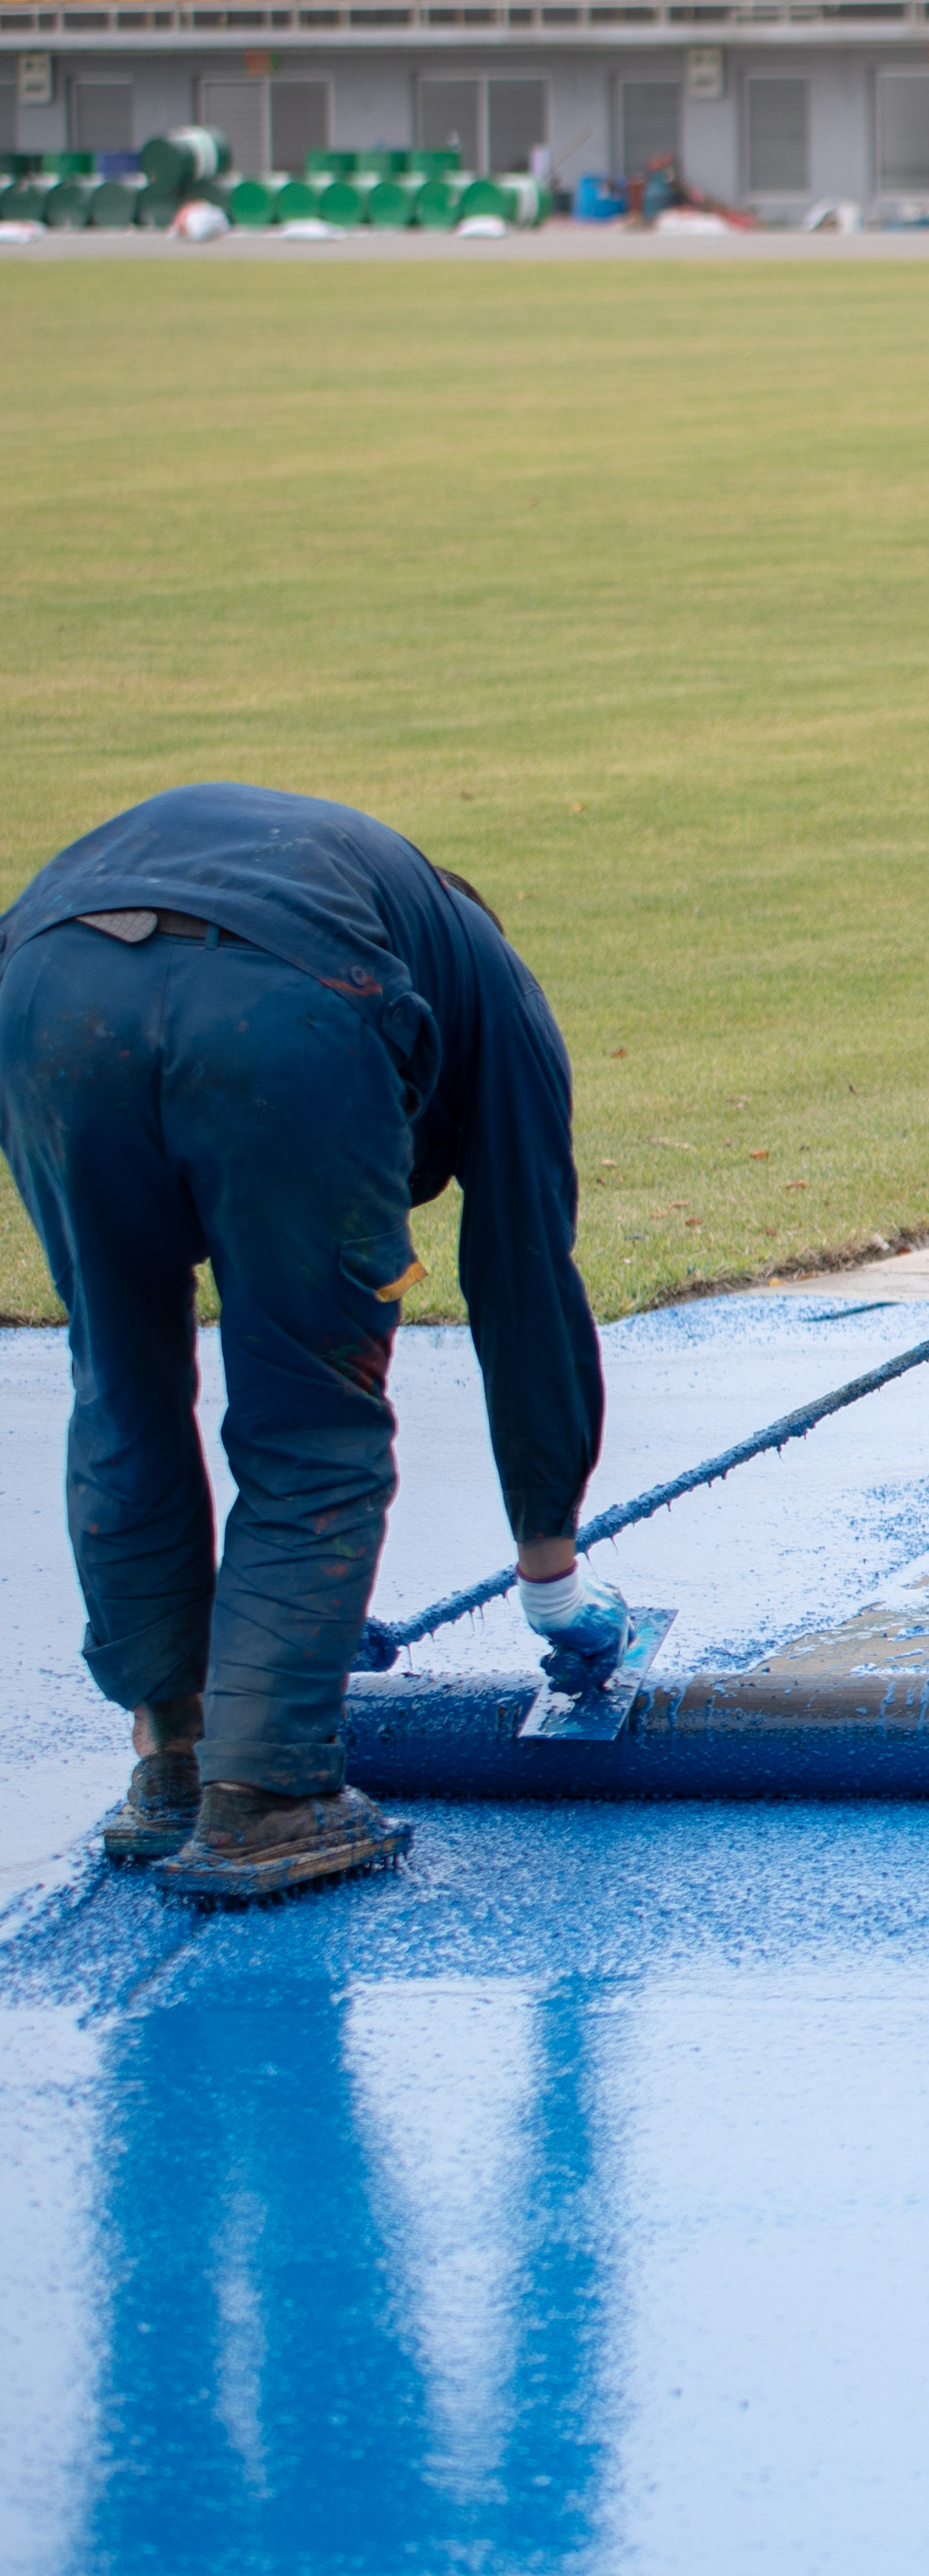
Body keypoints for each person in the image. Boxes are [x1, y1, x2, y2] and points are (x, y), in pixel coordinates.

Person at [0, 786, 632, 1907]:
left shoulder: (365, 897)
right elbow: (525, 1276)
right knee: (312, 1416)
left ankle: (174, 1758)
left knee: (121, 1380)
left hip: (46, 995)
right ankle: (267, 1799)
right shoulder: (493, 997)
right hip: (282, 1017)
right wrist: (551, 1573)